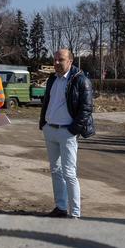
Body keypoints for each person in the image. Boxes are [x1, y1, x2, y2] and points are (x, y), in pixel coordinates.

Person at [39, 48, 95, 219]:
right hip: (51, 130)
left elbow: (86, 109)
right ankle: (61, 207)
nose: (56, 63)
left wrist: (73, 130)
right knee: (55, 170)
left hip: (67, 132)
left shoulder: (81, 81)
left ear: (70, 61)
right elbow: (48, 101)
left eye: (60, 60)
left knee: (69, 173)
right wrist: (44, 124)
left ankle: (75, 214)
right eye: (55, 59)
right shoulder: (52, 79)